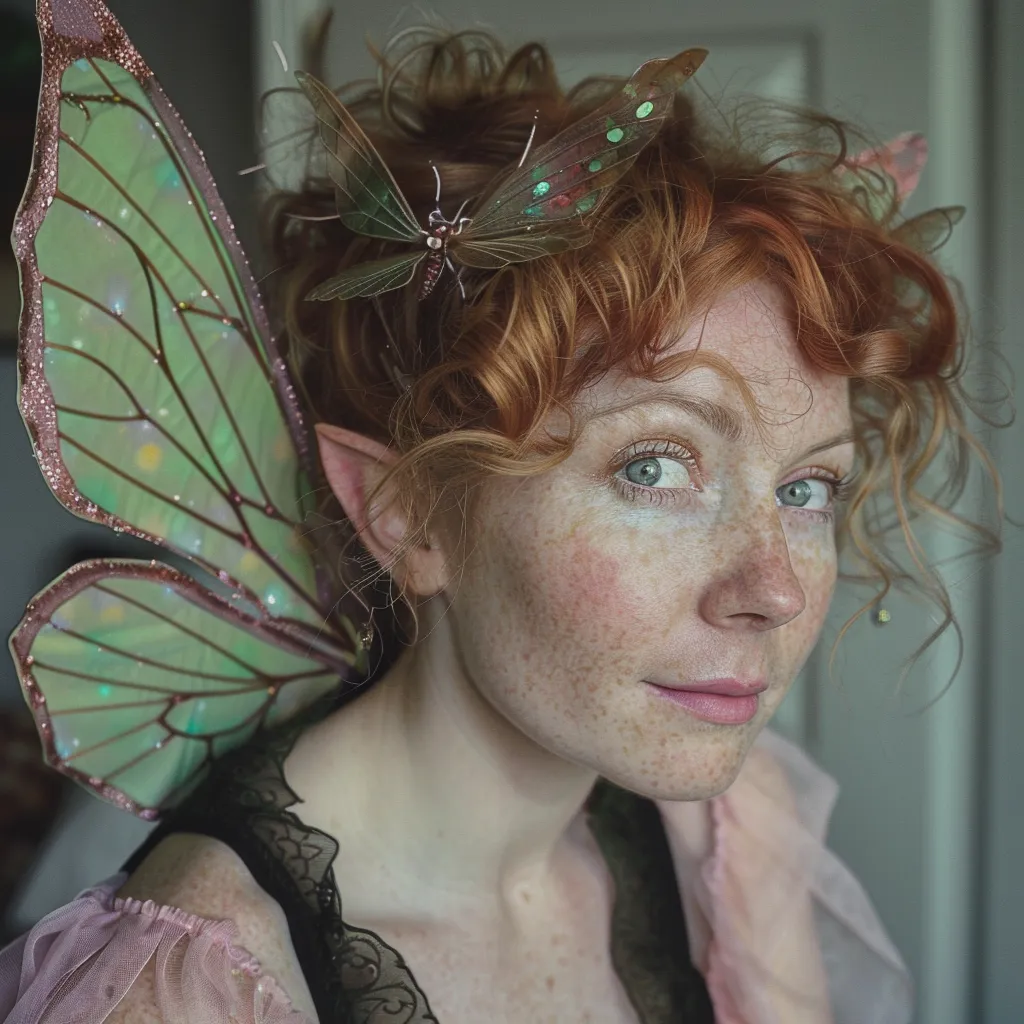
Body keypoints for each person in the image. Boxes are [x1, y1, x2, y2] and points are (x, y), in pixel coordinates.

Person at [0, 2, 1003, 1022]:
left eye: (805, 488)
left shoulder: (730, 834)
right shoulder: (196, 987)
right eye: (654, 468)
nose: (775, 590)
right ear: (406, 513)